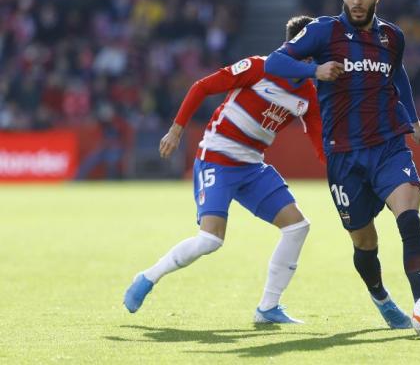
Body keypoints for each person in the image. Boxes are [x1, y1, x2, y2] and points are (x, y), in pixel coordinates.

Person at [265, 0, 420, 329]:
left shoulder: (392, 37)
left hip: (389, 146)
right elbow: (274, 63)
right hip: (344, 156)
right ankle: (382, 299)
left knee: (410, 221)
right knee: (364, 243)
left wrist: (414, 121)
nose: (357, 0)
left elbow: (398, 75)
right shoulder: (321, 33)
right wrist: (314, 70)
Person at [123, 16, 324, 323]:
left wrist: (341, 168)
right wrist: (176, 130)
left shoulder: (308, 93)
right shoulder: (259, 67)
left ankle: (268, 308)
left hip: (252, 166)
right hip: (217, 156)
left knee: (298, 227)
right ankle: (149, 277)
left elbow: (318, 141)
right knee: (210, 240)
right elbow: (202, 87)